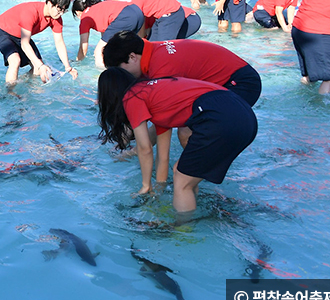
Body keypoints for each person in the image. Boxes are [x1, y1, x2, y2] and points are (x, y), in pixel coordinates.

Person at [97, 67, 257, 216]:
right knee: (183, 175)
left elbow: (145, 148)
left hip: (219, 116)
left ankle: (182, 232)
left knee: (181, 181)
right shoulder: (154, 95)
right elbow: (162, 156)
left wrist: (146, 186)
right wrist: (159, 189)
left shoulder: (131, 97)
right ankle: (191, 210)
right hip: (243, 115)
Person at [103, 30, 262, 107]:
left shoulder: (162, 69)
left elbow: (164, 120)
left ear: (132, 57)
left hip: (241, 84)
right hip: (235, 78)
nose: (122, 76)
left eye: (121, 70)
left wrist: (138, 149)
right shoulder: (151, 50)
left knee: (188, 132)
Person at [0, 0, 78, 86]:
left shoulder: (56, 18)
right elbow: (25, 44)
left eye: (64, 10)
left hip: (20, 35)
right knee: (15, 61)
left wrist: (68, 67)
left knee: (37, 69)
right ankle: (10, 94)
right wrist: (41, 65)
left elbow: (59, 42)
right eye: (59, 9)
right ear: (50, 3)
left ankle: (21, 82)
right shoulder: (31, 12)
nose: (61, 13)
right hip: (3, 30)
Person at [72, 0, 145, 68]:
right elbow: (106, 37)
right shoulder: (98, 8)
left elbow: (83, 48)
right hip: (137, 12)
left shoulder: (85, 17)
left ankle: (102, 76)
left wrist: (77, 63)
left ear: (77, 12)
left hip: (124, 17)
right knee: (125, 49)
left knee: (98, 52)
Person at [108, 0, 185, 42]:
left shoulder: (134, 0)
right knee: (152, 43)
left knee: (164, 45)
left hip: (171, 15)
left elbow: (140, 23)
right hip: (163, 16)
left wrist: (139, 40)